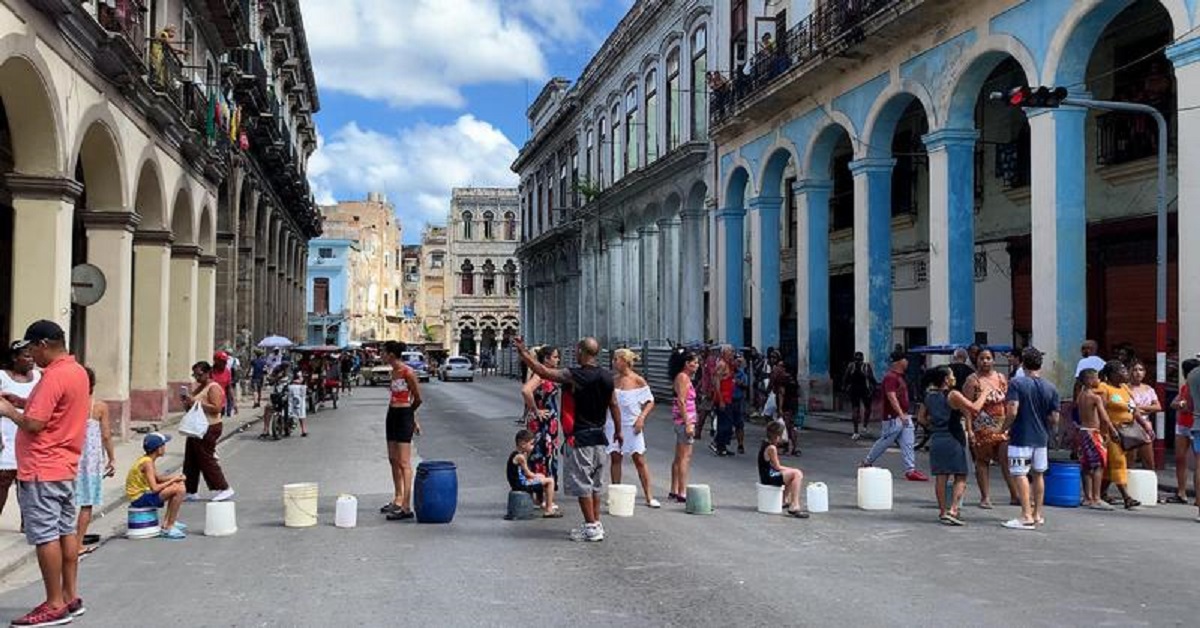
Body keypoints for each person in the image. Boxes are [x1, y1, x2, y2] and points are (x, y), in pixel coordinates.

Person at [0, 321, 92, 626]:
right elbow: (56, 408)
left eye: (31, 350)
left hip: (42, 467)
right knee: (65, 531)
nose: (31, 357)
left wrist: (9, 411)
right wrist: (23, 402)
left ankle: (53, 603)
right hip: (64, 466)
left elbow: (36, 424)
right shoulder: (76, 371)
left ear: (42, 344)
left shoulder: (53, 376)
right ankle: (69, 596)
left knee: (46, 535)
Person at [514, 336, 621, 542]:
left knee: (583, 485)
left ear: (581, 351)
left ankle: (591, 527)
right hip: (600, 437)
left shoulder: (575, 375)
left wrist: (523, 352)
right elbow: (614, 404)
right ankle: (595, 523)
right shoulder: (607, 376)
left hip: (580, 437)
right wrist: (618, 430)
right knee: (595, 485)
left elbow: (544, 371)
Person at [917, 366, 987, 525]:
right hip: (954, 438)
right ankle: (953, 510)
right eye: (952, 375)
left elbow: (921, 418)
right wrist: (984, 393)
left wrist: (933, 426)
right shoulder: (953, 395)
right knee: (961, 475)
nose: (954, 377)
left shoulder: (929, 397)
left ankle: (942, 511)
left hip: (937, 439)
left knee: (941, 477)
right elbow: (974, 408)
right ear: (946, 379)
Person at [1001, 347, 1061, 530]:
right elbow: (1055, 418)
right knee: (1038, 474)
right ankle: (1037, 514)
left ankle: (1026, 515)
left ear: (1023, 363)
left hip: (1021, 436)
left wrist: (1003, 428)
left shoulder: (1017, 384)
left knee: (1020, 474)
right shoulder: (1051, 387)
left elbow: (1012, 410)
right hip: (1041, 437)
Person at [962, 348, 1017, 508]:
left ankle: (1015, 495)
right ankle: (985, 497)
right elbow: (967, 407)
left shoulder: (1001, 378)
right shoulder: (972, 380)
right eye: (981, 358)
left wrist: (1010, 423)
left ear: (993, 360)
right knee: (982, 461)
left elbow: (1008, 402)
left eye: (988, 358)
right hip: (981, 428)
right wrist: (969, 429)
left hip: (1001, 427)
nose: (985, 361)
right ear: (976, 360)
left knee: (1006, 460)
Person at [862, 351, 928, 481]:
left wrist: (904, 415)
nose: (907, 363)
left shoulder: (900, 377)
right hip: (893, 417)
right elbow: (891, 396)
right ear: (900, 362)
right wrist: (900, 414)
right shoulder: (890, 377)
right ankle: (867, 461)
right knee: (885, 441)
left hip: (904, 415)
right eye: (905, 360)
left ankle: (911, 470)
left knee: (908, 443)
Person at [605, 349, 659, 508]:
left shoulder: (637, 380)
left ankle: (649, 496)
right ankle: (615, 494)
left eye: (616, 359)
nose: (614, 362)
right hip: (613, 424)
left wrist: (641, 418)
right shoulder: (613, 380)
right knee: (615, 458)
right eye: (613, 359)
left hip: (632, 424)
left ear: (625, 361)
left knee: (639, 459)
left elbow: (650, 401)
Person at [180, 361, 235, 502]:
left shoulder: (213, 387)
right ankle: (190, 489)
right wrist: (187, 401)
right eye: (195, 375)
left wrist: (196, 403)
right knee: (191, 459)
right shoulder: (200, 388)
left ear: (207, 373)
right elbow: (193, 407)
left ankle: (224, 487)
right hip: (196, 427)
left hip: (209, 427)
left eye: (199, 374)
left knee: (206, 459)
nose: (197, 378)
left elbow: (216, 408)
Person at [380, 341, 423, 521]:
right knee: (393, 458)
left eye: (383, 352)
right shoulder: (393, 372)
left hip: (404, 413)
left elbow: (418, 398)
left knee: (404, 462)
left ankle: (406, 505)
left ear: (391, 354)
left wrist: (411, 417)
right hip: (392, 413)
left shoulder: (407, 372)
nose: (381, 355)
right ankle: (397, 498)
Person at [74, 368, 115, 555]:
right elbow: (106, 435)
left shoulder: (69, 405)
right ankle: (78, 543)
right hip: (90, 462)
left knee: (64, 503)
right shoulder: (98, 407)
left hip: (69, 457)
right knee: (86, 504)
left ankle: (64, 541)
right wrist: (112, 458)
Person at [1097, 360, 1147, 510]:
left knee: (1110, 466)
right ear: (1112, 374)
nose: (1126, 373)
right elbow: (1102, 411)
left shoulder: (1125, 388)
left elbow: (1134, 408)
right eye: (1122, 370)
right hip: (1112, 432)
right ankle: (1127, 497)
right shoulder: (1104, 388)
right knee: (1119, 462)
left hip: (1127, 431)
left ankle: (1101, 493)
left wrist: (1145, 425)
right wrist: (1110, 429)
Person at [0, 340, 41, 518]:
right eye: (26, 356)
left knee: (27, 481)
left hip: (29, 433)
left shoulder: (39, 377)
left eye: (32, 355)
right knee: (4, 478)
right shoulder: (2, 377)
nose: (31, 359)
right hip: (6, 433)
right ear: (15, 358)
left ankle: (27, 521)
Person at [125, 432, 187, 539]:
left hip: (143, 494)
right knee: (179, 490)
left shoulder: (147, 459)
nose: (165, 447)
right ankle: (169, 527)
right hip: (139, 498)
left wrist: (176, 478)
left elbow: (158, 479)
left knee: (178, 485)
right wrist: (173, 480)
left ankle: (168, 521)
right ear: (158, 449)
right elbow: (155, 488)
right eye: (163, 445)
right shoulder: (147, 463)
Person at [1075, 368, 1116, 509]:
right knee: (1098, 465)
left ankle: (1088, 497)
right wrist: (1112, 430)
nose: (1099, 381)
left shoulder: (1080, 396)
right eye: (1097, 378)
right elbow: (1104, 417)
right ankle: (1096, 498)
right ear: (1090, 380)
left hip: (1083, 431)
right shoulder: (1095, 398)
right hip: (1093, 433)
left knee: (1086, 466)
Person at [521, 346, 561, 483]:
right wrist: (535, 410)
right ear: (546, 359)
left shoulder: (550, 374)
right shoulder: (540, 375)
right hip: (542, 423)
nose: (558, 360)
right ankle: (541, 491)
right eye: (555, 357)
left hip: (549, 422)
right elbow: (526, 390)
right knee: (540, 456)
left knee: (547, 455)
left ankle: (545, 491)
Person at [758, 421, 809, 518]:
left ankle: (784, 500)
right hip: (769, 477)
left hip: (767, 474)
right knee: (796, 474)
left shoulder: (765, 443)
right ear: (777, 436)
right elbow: (777, 467)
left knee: (791, 474)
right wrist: (792, 469)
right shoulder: (771, 448)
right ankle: (794, 504)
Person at [507, 429, 561, 518]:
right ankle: (549, 509)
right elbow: (528, 473)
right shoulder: (520, 457)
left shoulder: (517, 454)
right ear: (523, 444)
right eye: (531, 444)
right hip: (520, 485)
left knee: (541, 476)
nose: (533, 447)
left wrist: (539, 477)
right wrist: (538, 477)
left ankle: (540, 501)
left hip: (518, 482)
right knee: (550, 481)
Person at [669, 348, 699, 504]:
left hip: (682, 421)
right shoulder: (683, 378)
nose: (697, 365)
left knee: (679, 456)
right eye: (694, 362)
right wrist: (688, 423)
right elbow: (681, 401)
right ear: (686, 364)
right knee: (684, 458)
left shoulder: (684, 377)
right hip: (684, 421)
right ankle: (681, 491)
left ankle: (674, 489)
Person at [1169, 358, 1200, 505]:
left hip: (1194, 424)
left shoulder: (1194, 383)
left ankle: (1197, 497)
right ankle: (1181, 492)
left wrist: (1184, 405)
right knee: (1180, 458)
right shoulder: (1186, 386)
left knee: (1196, 462)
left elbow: (1187, 405)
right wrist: (1181, 404)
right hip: (1183, 424)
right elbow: (1175, 403)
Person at [1127, 360, 1160, 470]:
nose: (1138, 373)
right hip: (1130, 426)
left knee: (1149, 462)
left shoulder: (1148, 389)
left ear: (1144, 373)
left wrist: (1138, 408)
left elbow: (1157, 407)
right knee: (1130, 461)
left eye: (1141, 370)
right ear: (1129, 372)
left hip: (1145, 426)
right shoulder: (1125, 388)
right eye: (1135, 370)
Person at [842, 351, 876, 440]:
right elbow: (871, 378)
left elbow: (845, 378)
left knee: (855, 409)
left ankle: (856, 432)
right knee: (867, 408)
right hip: (864, 389)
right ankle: (864, 427)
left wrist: (845, 387)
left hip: (854, 390)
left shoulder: (851, 366)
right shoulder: (865, 366)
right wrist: (874, 387)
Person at [710, 346, 736, 457]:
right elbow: (716, 383)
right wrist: (720, 400)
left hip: (728, 397)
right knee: (724, 423)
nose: (732, 355)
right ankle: (717, 443)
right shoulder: (722, 365)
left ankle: (723, 446)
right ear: (724, 354)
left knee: (728, 422)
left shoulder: (728, 364)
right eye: (730, 353)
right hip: (723, 398)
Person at [732, 354, 750, 454]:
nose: (738, 364)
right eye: (736, 361)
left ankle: (740, 444)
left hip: (738, 400)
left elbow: (745, 386)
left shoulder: (742, 374)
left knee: (739, 424)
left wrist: (739, 383)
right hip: (728, 400)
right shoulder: (726, 372)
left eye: (739, 362)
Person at [211, 352, 234, 418]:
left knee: (218, 423)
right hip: (210, 403)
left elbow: (229, 388)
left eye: (226, 361)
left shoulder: (227, 372)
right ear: (216, 361)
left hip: (221, 403)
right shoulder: (210, 372)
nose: (225, 363)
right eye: (223, 361)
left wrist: (233, 403)